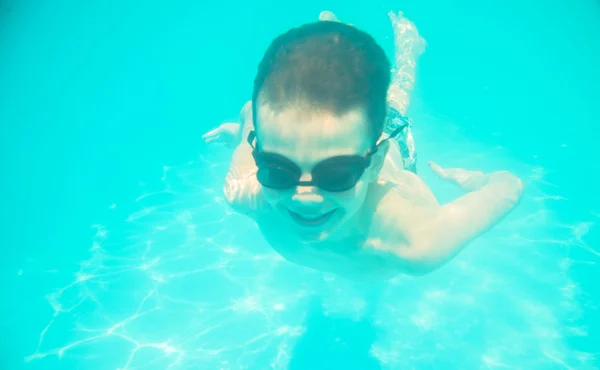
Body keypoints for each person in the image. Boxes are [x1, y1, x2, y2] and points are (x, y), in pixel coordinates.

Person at [203, 11, 524, 281]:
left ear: (373, 165)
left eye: (336, 174)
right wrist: (240, 130)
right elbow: (251, 123)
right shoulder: (244, 194)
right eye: (277, 171)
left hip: (392, 146)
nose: (305, 198)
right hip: (328, 141)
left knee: (394, 103)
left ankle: (409, 51)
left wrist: (475, 181)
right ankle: (338, 45)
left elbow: (510, 186)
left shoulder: (416, 240)